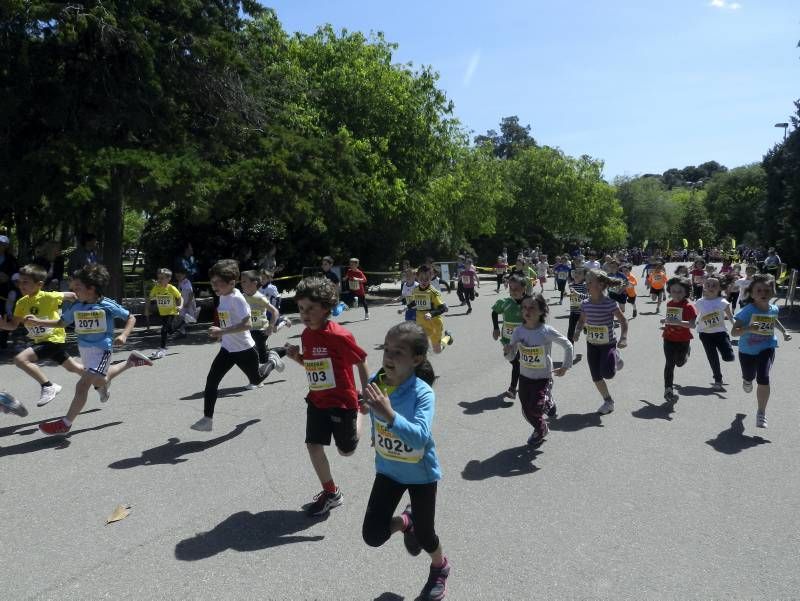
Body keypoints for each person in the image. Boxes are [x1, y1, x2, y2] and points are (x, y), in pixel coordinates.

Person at [361, 321, 450, 601]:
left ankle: (440, 567)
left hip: (420, 474)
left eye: (398, 352)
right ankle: (405, 521)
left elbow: (420, 438)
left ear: (416, 359)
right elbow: (373, 412)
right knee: (373, 535)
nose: (389, 356)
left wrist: (389, 416)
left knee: (426, 537)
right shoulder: (379, 380)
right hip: (388, 469)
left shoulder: (422, 393)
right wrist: (377, 431)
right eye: (387, 349)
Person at [30, 264, 154, 435]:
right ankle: (130, 362)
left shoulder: (107, 305)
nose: (74, 291)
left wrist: (124, 335)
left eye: (78, 287)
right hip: (85, 351)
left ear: (91, 289)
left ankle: (65, 424)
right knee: (100, 380)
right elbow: (60, 323)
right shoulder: (77, 306)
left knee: (82, 385)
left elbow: (130, 318)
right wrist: (39, 322)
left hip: (102, 350)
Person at [285, 277, 369, 516]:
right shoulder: (306, 335)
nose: (305, 314)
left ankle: (361, 415)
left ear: (326, 307)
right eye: (301, 309)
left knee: (346, 451)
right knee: (313, 446)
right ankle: (331, 493)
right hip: (317, 400)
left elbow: (361, 360)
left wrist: (366, 394)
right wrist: (297, 358)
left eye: (310, 308)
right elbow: (314, 365)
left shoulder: (339, 336)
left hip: (342, 401)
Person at [190, 260, 285, 432]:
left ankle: (273, 360)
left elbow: (247, 325)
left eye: (217, 283)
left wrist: (222, 331)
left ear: (231, 283)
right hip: (227, 349)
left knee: (256, 380)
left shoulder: (237, 299)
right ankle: (207, 419)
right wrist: (220, 334)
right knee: (212, 381)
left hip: (245, 350)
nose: (214, 286)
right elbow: (227, 319)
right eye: (212, 283)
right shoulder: (223, 296)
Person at [0, 264, 83, 407]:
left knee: (20, 359)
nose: (21, 285)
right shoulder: (21, 302)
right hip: (41, 341)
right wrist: (2, 325)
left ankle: (48, 386)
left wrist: (84, 307)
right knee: (74, 368)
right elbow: (13, 325)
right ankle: (100, 381)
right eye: (19, 282)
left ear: (39, 284)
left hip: (54, 339)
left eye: (25, 282)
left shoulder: (49, 296)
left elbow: (72, 295)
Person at [504, 294, 573, 445]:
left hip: (543, 377)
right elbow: (511, 357)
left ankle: (549, 403)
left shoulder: (546, 331)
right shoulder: (518, 332)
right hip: (525, 377)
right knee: (527, 409)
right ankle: (541, 429)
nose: (527, 310)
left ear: (541, 311)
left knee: (536, 407)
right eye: (524, 307)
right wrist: (508, 350)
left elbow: (567, 344)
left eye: (532, 307)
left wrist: (565, 366)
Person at [731, 274, 792, 429]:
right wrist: (749, 328)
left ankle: (761, 412)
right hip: (747, 350)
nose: (763, 293)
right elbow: (734, 332)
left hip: (767, 347)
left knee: (763, 377)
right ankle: (746, 380)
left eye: (767, 290)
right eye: (759, 290)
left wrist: (784, 331)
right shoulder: (747, 311)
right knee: (749, 376)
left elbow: (773, 319)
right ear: (751, 294)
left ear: (773, 292)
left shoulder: (774, 308)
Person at [572, 269, 628, 415]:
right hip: (591, 344)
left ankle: (615, 356)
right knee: (596, 376)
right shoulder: (585, 303)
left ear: (601, 285)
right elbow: (582, 320)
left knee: (608, 374)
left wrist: (624, 337)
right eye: (587, 281)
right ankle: (608, 401)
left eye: (590, 282)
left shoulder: (610, 303)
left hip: (608, 344)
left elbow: (623, 320)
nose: (587, 284)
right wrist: (577, 331)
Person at [660, 277, 697, 404]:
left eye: (680, 291)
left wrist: (677, 322)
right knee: (669, 364)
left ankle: (687, 353)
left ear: (686, 292)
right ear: (669, 291)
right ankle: (668, 389)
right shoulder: (670, 304)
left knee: (679, 363)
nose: (676, 294)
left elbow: (692, 325)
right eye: (673, 291)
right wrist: (666, 324)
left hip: (683, 340)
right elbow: (671, 319)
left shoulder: (689, 306)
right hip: (668, 338)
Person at [694, 277, 735, 391]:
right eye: (708, 285)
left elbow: (731, 317)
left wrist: (736, 326)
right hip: (705, 334)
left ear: (719, 288)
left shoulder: (722, 301)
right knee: (712, 357)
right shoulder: (699, 302)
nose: (711, 287)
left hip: (720, 333)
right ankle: (718, 379)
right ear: (704, 287)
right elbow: (695, 315)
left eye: (714, 285)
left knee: (729, 357)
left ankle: (727, 354)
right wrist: (694, 321)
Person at [491, 274, 527, 399]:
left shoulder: (529, 303)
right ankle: (521, 372)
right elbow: (494, 312)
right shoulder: (505, 303)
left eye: (516, 289)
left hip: (524, 341)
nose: (513, 291)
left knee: (517, 363)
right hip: (507, 339)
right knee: (512, 360)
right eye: (511, 288)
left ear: (524, 289)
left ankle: (512, 388)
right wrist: (495, 328)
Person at [405, 265, 453, 354]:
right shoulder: (415, 290)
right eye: (421, 278)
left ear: (431, 277)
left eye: (427, 279)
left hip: (434, 324)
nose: (423, 281)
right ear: (417, 277)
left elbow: (442, 308)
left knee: (437, 351)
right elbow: (416, 301)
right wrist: (406, 307)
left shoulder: (433, 292)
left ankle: (448, 337)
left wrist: (431, 314)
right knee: (419, 342)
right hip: (422, 323)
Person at [240, 270, 282, 367]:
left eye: (244, 281)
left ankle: (283, 351)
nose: (241, 284)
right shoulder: (243, 296)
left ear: (254, 283)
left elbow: (275, 312)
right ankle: (271, 357)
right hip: (249, 329)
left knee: (261, 356)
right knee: (254, 353)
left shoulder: (260, 297)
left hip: (261, 330)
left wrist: (271, 327)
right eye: (241, 281)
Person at [145, 268, 183, 360]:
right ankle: (184, 321)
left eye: (162, 278)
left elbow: (180, 298)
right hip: (162, 313)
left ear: (168, 279)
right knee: (169, 330)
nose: (160, 280)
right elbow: (149, 298)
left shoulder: (171, 288)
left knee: (164, 330)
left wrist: (180, 306)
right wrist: (147, 309)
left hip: (172, 312)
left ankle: (162, 349)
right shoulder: (156, 288)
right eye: (159, 278)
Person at [0, 235, 20, 349]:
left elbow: (16, 274)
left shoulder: (11, 259)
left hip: (5, 292)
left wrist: (8, 278)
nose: (1, 246)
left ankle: (2, 342)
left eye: (3, 244)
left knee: (4, 315)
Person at [566, 267, 588, 343]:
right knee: (570, 333)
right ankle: (570, 350)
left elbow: (588, 297)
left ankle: (585, 327)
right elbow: (573, 295)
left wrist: (577, 294)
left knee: (587, 331)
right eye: (575, 273)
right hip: (573, 311)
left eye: (579, 273)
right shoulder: (571, 285)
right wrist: (568, 295)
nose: (576, 274)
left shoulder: (585, 285)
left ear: (584, 276)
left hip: (583, 313)